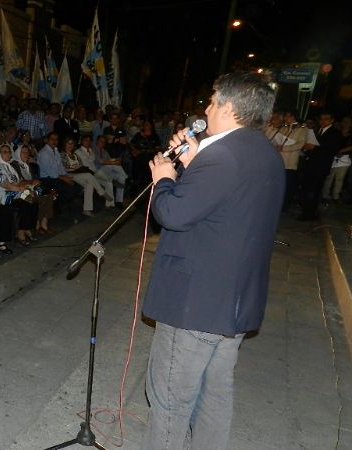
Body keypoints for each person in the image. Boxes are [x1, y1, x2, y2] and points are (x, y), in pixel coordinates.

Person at [144, 72, 284, 449]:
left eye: (211, 101)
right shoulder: (263, 152)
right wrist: (193, 161)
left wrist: (164, 178)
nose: (205, 108)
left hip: (197, 304)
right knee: (215, 396)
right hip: (232, 304)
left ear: (230, 107)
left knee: (171, 400)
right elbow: (222, 207)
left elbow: (173, 213)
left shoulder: (222, 157)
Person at [0, 144, 38, 247]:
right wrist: (21, 189)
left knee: (33, 199)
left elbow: (18, 181)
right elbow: (5, 184)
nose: (8, 154)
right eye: (4, 152)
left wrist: (24, 188)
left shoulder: (9, 166)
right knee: (27, 201)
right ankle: (20, 232)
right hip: (4, 195)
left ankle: (23, 228)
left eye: (9, 152)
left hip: (14, 192)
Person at [61, 136, 112, 216]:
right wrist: (75, 167)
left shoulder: (75, 155)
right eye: (69, 143)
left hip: (79, 173)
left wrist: (78, 167)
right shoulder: (62, 154)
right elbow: (65, 167)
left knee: (89, 184)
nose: (70, 145)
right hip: (69, 174)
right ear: (65, 144)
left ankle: (87, 210)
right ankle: (101, 192)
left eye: (72, 144)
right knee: (88, 175)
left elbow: (81, 165)